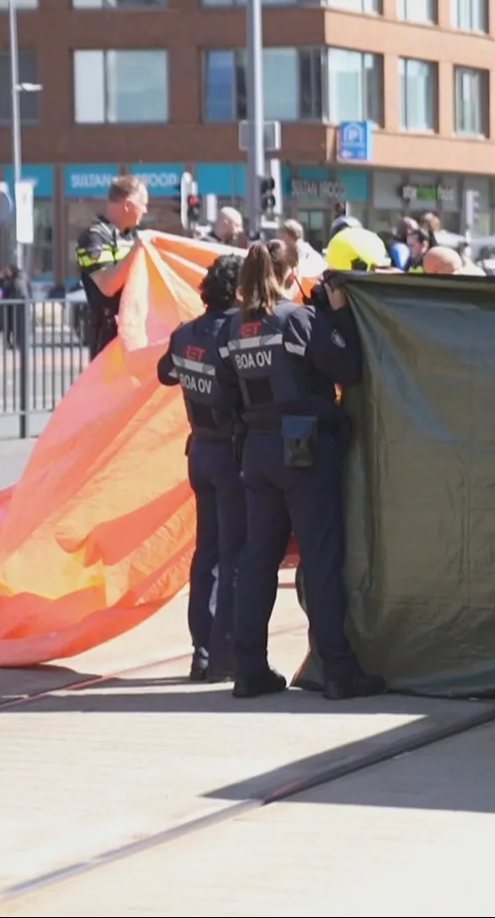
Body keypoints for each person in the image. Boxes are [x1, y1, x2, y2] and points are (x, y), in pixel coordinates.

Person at [216, 239, 386, 700]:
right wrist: (339, 312)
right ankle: (338, 671)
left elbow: (226, 391)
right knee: (321, 559)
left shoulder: (233, 328)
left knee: (257, 561)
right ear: (291, 275)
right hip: (305, 450)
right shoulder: (297, 319)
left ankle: (248, 669)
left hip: (256, 451)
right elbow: (347, 367)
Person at [158, 254, 247, 683]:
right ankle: (226, 655)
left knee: (206, 554)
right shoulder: (236, 332)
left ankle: (203, 652)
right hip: (232, 455)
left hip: (201, 454)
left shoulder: (185, 333)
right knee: (234, 554)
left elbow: (165, 374)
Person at [74, 175, 148, 358]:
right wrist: (137, 250)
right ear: (128, 205)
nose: (145, 210)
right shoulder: (94, 239)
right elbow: (108, 285)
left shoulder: (132, 237)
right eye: (143, 204)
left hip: (134, 335)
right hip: (107, 339)